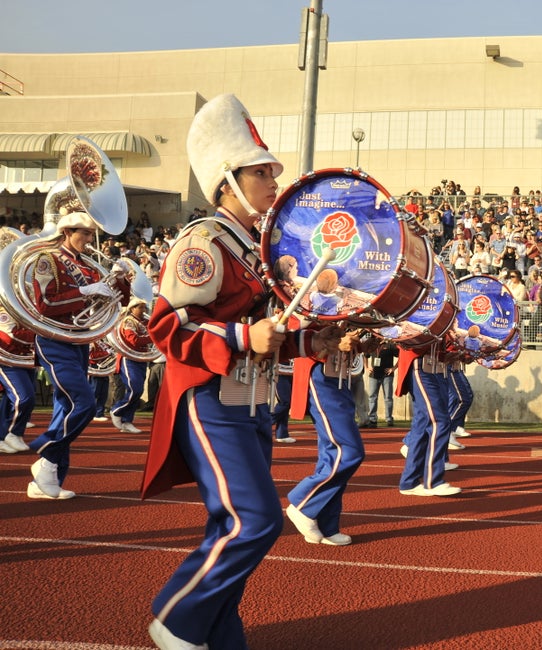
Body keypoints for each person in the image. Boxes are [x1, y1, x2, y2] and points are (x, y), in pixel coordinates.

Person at [139, 94, 341, 649]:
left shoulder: (256, 247)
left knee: (233, 523)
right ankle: (176, 619)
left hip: (250, 400)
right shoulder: (203, 243)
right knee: (255, 520)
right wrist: (242, 338)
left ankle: (220, 634)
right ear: (227, 182)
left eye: (271, 171)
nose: (274, 181)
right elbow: (167, 326)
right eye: (261, 172)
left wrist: (310, 339)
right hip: (208, 398)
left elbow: (265, 331)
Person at [28, 211, 127, 500]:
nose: (88, 239)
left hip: (79, 342)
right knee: (83, 403)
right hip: (54, 340)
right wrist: (85, 290)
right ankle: (46, 457)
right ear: (67, 232)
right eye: (83, 233)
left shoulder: (88, 266)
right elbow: (45, 303)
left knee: (65, 409)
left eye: (90, 233)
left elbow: (116, 301)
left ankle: (48, 481)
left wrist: (121, 280)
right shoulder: (48, 260)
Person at [285, 329, 370, 546]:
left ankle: (327, 525)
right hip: (320, 371)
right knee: (348, 452)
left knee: (332, 456)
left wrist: (361, 344)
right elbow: (298, 325)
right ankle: (303, 504)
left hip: (339, 372)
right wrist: (332, 341)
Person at [395, 340, 461, 497]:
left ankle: (409, 482)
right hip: (420, 364)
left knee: (422, 425)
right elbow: (403, 334)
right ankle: (433, 482)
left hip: (436, 367)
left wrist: (460, 351)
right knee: (439, 422)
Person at [110, 297, 153, 434]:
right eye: (140, 307)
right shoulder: (129, 321)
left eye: (144, 307)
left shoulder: (146, 322)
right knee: (135, 389)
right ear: (132, 308)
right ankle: (117, 410)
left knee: (138, 391)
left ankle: (127, 421)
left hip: (141, 359)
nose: (143, 310)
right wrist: (153, 337)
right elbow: (133, 340)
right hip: (129, 359)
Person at [0, 308, 35, 455]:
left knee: (9, 400)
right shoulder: (4, 309)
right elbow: (10, 335)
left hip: (24, 359)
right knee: (24, 398)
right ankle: (13, 432)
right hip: (7, 358)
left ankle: (3, 437)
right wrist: (42, 335)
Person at [365, 339, 398, 427]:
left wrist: (393, 368)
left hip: (387, 375)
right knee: (372, 397)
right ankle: (372, 419)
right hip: (374, 375)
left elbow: (401, 356)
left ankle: (389, 419)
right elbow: (365, 355)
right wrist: (366, 367)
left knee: (388, 397)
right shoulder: (372, 344)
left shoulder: (390, 345)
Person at [271, 360, 296, 443]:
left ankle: (282, 434)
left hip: (293, 372)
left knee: (287, 404)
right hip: (279, 373)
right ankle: (265, 423)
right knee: (284, 402)